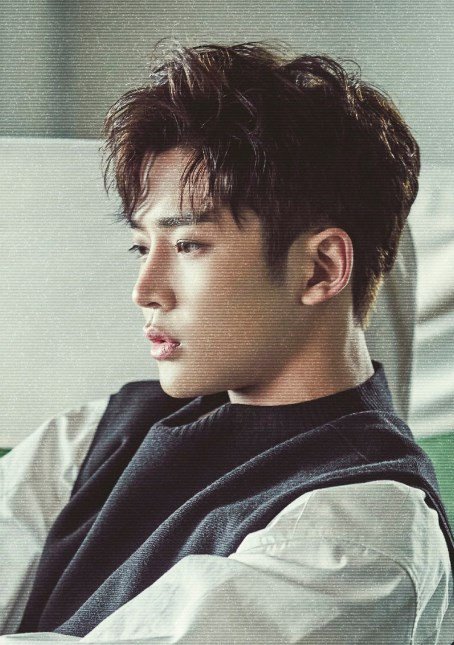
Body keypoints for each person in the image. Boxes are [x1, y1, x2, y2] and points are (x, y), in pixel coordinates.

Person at [1, 40, 453, 644]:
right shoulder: (95, 436)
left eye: (188, 246)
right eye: (142, 247)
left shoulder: (360, 532)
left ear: (320, 269)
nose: (145, 290)